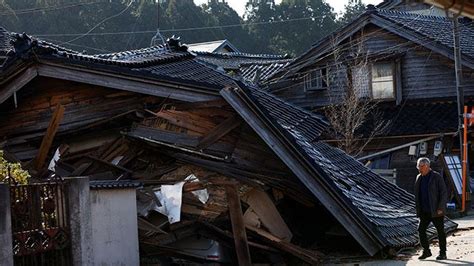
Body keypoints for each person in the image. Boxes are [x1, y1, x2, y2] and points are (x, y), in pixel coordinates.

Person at [414, 157, 448, 260]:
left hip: (436, 210)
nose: (419, 168)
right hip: (424, 211)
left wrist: (441, 207)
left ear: (427, 166)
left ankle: (443, 253)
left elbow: (443, 193)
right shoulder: (419, 177)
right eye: (418, 166)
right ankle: (426, 251)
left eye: (421, 166)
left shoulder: (436, 177)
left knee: (440, 232)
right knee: (421, 230)